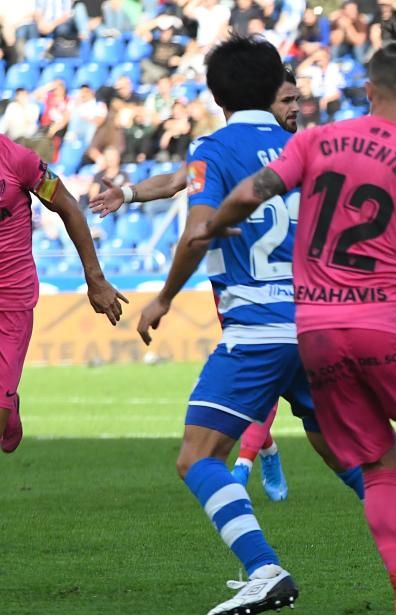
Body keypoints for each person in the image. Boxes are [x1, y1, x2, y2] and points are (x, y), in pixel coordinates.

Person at [193, 29, 396, 615]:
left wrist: (213, 227)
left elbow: (255, 192)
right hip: (387, 323)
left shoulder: (319, 140)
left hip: (319, 332)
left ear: (367, 87)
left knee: (378, 468)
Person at [133, 35, 396, 615]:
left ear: (217, 95)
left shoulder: (211, 149)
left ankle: (264, 570)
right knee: (351, 458)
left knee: (198, 459)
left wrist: (163, 297)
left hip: (259, 330)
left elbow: (198, 232)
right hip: (321, 326)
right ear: (274, 89)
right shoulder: (306, 148)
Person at [90, 66, 303, 501]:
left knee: (260, 385)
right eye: (286, 101)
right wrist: (126, 194)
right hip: (240, 293)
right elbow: (173, 181)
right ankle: (266, 448)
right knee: (271, 389)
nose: (294, 109)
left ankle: (244, 464)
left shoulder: (301, 152)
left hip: (285, 298)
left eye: (297, 100)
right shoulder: (227, 152)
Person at [0, 134, 127, 454]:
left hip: (10, 299)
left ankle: (5, 404)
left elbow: (68, 206)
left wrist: (95, 278)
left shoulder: (18, 160)